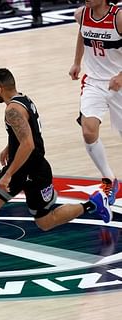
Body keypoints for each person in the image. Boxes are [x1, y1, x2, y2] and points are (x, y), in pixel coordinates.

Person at [0, 68, 112, 276]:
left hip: (29, 169)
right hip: (30, 167)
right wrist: (9, 146)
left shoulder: (11, 110)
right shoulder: (23, 99)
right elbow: (24, 133)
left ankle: (93, 204)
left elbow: (28, 144)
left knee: (42, 221)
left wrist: (8, 174)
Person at [69, 0, 121, 206]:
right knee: (88, 131)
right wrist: (76, 62)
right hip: (94, 82)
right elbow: (83, 34)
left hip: (119, 83)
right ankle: (109, 180)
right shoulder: (81, 14)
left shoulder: (118, 17)